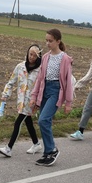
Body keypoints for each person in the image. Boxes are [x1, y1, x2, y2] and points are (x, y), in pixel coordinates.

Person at [30, 28, 74, 166]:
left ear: (58, 41)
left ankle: (52, 149)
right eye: (46, 40)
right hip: (45, 90)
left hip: (56, 91)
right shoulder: (45, 57)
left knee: (44, 120)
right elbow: (40, 79)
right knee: (43, 121)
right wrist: (34, 96)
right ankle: (48, 153)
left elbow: (67, 81)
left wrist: (68, 102)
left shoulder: (65, 59)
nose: (47, 43)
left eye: (50, 41)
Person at [0, 45, 43, 157]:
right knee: (28, 122)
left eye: (35, 55)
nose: (31, 57)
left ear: (39, 57)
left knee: (18, 122)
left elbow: (42, 87)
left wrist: (39, 102)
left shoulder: (41, 70)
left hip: (32, 102)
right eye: (30, 54)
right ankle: (36, 143)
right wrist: (5, 95)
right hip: (21, 101)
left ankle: (9, 148)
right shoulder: (20, 67)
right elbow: (11, 82)